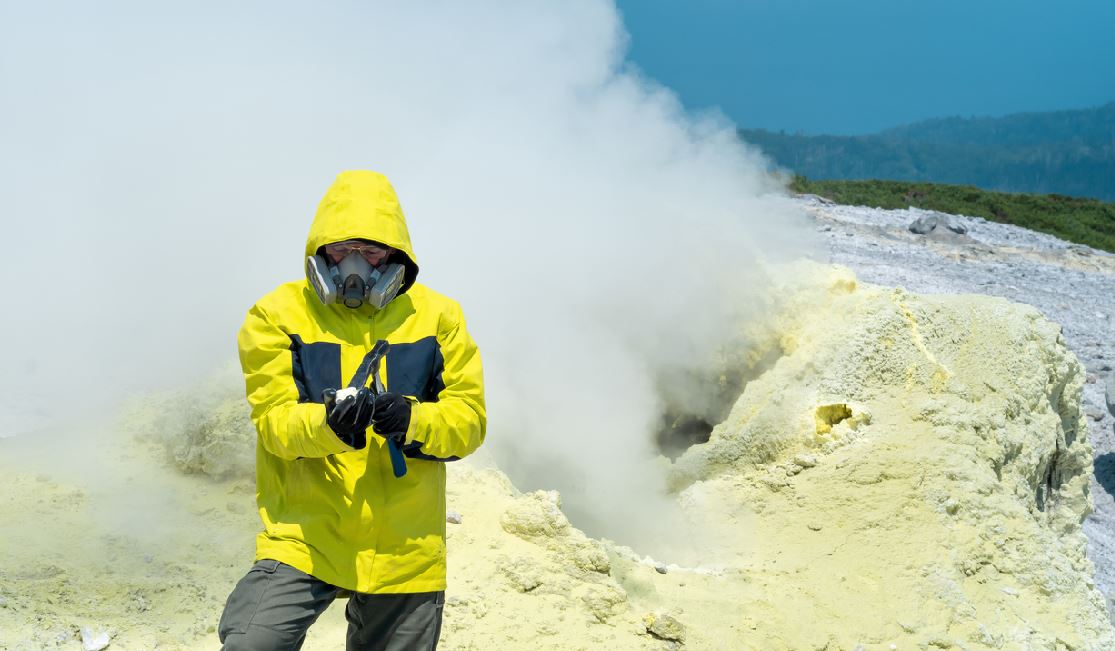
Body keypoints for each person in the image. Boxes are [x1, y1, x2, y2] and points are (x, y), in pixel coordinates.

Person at [219, 170, 486, 650]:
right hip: (304, 535)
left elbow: (469, 423)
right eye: (342, 250)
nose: (356, 266)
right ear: (321, 252)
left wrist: (412, 420)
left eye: (372, 251)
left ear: (396, 256)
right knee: (252, 642)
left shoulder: (441, 317)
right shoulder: (275, 314)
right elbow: (274, 425)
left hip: (406, 550)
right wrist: (328, 425)